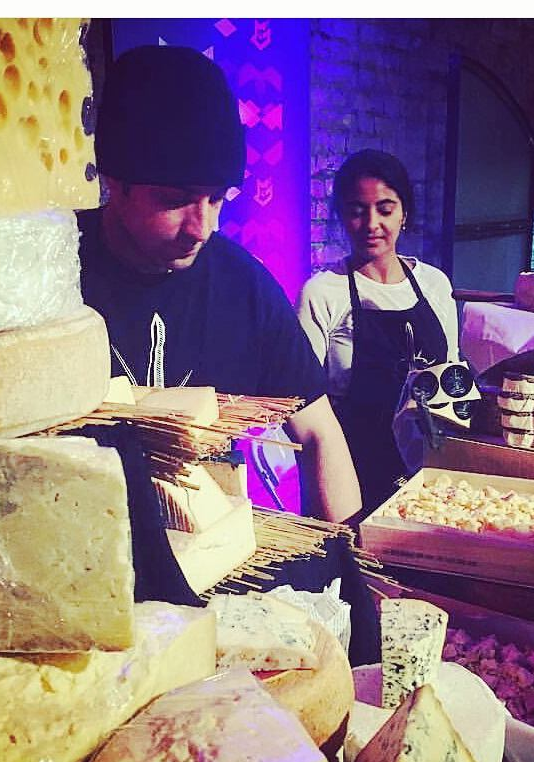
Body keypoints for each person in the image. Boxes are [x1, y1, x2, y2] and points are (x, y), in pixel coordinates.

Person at [78, 45, 361, 524]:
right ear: (115, 182)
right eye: (175, 200)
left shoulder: (243, 285)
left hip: (207, 541)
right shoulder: (55, 271)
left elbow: (318, 432)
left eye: (216, 198)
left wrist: (342, 552)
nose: (202, 228)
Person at [296, 149, 460, 512]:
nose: (371, 224)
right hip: (350, 472)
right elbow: (302, 402)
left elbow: (450, 374)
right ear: (341, 215)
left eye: (385, 209)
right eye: (357, 210)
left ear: (404, 213)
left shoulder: (434, 284)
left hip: (429, 472)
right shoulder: (323, 293)